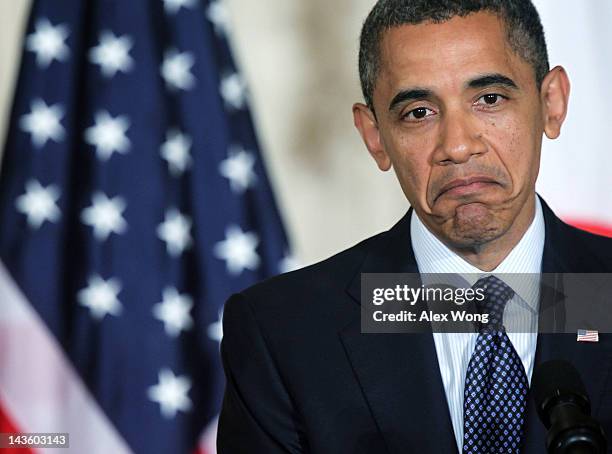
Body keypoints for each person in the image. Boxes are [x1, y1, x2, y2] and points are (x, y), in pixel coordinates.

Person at [217, 1, 612, 453]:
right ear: (374, 136)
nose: (458, 146)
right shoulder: (283, 334)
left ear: (551, 103)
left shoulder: (601, 291)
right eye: (419, 112)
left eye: (489, 99)